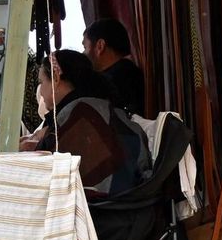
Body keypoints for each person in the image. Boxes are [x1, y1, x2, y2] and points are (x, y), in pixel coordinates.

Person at [21, 50, 150, 198]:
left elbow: (42, 173)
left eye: (41, 82)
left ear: (56, 78)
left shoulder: (75, 115)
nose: (41, 92)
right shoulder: (106, 110)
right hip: (135, 209)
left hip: (95, 212)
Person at [82, 18, 145, 115]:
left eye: (85, 47)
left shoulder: (110, 81)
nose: (83, 53)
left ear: (100, 46)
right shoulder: (129, 72)